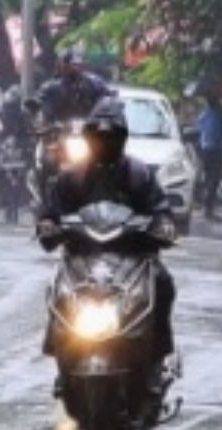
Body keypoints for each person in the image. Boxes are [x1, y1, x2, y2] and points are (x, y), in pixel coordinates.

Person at [37, 98, 176, 391]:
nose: (105, 142)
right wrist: (48, 225)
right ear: (88, 137)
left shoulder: (140, 174)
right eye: (98, 136)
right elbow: (50, 211)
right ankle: (62, 359)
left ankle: (156, 358)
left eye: (111, 136)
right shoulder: (71, 177)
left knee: (163, 282)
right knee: (55, 289)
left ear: (122, 138)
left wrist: (161, 224)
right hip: (81, 259)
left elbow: (160, 208)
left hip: (131, 258)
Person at [35, 47, 111, 124]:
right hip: (58, 130)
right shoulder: (50, 87)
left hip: (90, 128)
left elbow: (107, 98)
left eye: (77, 64)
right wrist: (39, 116)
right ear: (61, 66)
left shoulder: (94, 83)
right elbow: (39, 102)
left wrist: (108, 118)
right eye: (70, 65)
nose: (75, 68)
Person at [193, 94, 222, 216]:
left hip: (205, 151)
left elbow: (197, 131)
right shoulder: (219, 116)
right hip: (216, 151)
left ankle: (205, 203)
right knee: (215, 178)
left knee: (208, 177)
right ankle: (208, 205)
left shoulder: (204, 116)